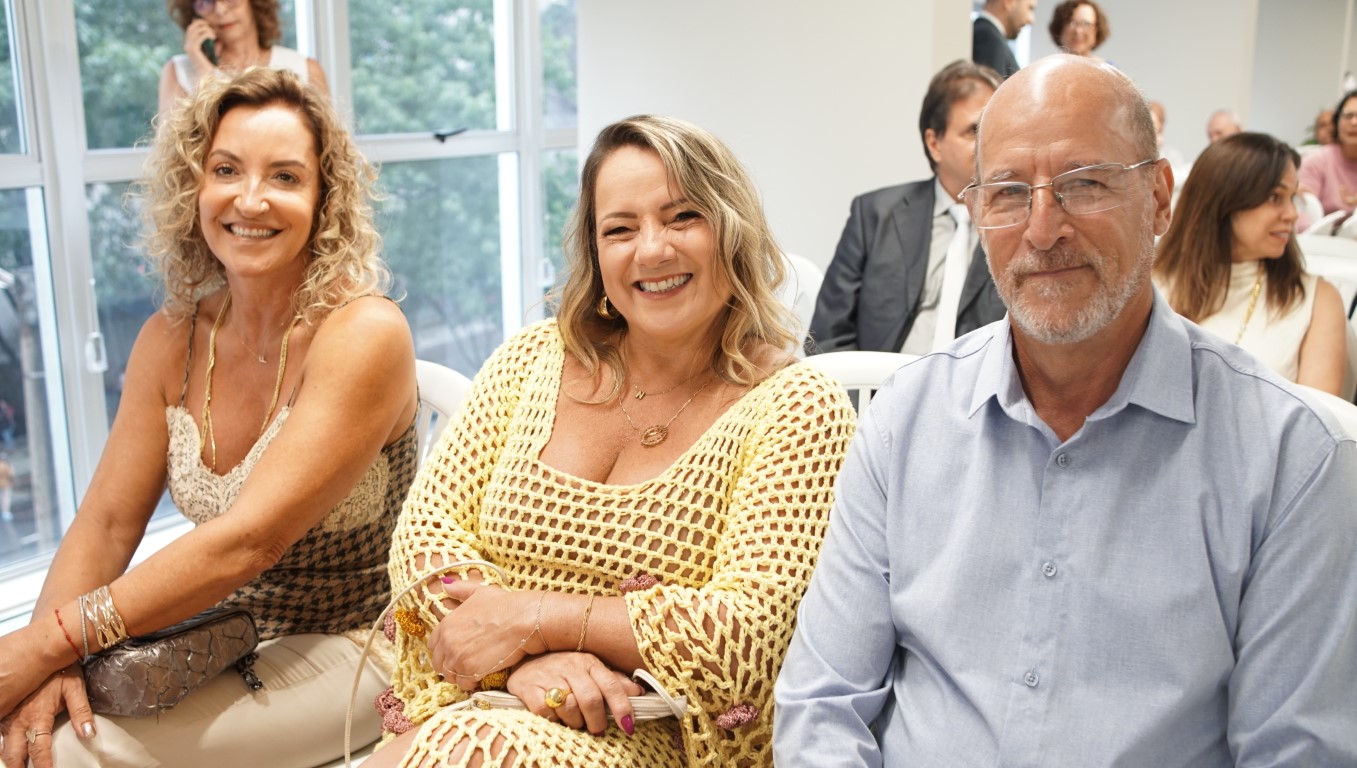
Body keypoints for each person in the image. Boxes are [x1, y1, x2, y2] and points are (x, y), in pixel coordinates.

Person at [775, 55, 1357, 765]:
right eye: (1008, 193)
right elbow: (823, 703)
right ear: (975, 211)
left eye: (1084, 184)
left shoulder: (1290, 458)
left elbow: (1293, 752)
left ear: (1160, 199)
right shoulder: (904, 421)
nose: (1043, 229)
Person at [368, 115, 857, 767]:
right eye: (619, 229)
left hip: (660, 736)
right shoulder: (532, 358)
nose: (651, 250)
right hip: (485, 701)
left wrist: (531, 619)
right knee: (468, 742)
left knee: (472, 747)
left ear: (732, 228)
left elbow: (746, 632)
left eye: (682, 217)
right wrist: (523, 666)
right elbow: (425, 538)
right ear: (595, 253)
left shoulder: (799, 407)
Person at [0, 68, 417, 768]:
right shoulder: (171, 339)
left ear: (325, 200)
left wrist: (45, 642)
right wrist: (49, 665)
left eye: (284, 177)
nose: (250, 199)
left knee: (72, 754)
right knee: (29, 720)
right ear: (192, 187)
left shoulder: (364, 332)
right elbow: (106, 520)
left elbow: (250, 542)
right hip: (218, 635)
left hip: (358, 642)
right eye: (225, 169)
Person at [809, 60, 1006, 354]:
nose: (988, 142)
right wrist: (858, 384)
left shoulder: (1019, 221)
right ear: (934, 144)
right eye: (974, 130)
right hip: (877, 381)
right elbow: (827, 334)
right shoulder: (875, 215)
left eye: (996, 129)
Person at [1155, 132, 1348, 397]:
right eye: (1275, 197)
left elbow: (1319, 417)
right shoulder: (1151, 285)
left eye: (1292, 197)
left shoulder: (1316, 300)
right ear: (1224, 202)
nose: (1292, 214)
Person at [157, 0, 329, 119]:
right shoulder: (177, 72)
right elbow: (171, 155)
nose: (220, 10)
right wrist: (203, 70)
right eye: (206, 1)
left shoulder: (305, 69)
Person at [1299, 90, 1357, 221]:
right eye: (1348, 116)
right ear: (1336, 122)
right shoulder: (1315, 161)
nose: (1354, 122)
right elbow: (1302, 215)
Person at [972, 0, 1036, 79]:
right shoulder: (989, 38)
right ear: (1008, 2)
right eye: (1030, 8)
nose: (1031, 20)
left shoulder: (989, 35)